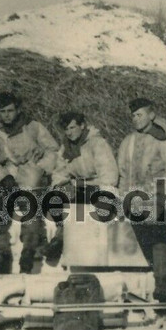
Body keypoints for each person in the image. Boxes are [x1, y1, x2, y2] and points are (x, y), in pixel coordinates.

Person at [0, 91, 61, 274]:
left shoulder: (33, 128)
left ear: (18, 110)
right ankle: (2, 256)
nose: (6, 115)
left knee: (31, 206)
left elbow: (53, 150)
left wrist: (40, 167)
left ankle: (28, 252)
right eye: (2, 111)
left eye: (10, 110)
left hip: (32, 176)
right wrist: (3, 177)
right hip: (7, 179)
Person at [116, 97, 166, 304]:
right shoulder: (128, 142)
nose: (136, 119)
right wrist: (122, 200)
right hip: (134, 202)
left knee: (158, 242)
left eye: (140, 114)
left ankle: (163, 288)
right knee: (147, 245)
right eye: (133, 115)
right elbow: (122, 173)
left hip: (159, 198)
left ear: (151, 115)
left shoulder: (165, 140)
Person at [43, 110, 119, 264]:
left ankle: (62, 240)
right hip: (79, 187)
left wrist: (84, 184)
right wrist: (57, 186)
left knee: (83, 203)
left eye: (72, 128)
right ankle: (58, 240)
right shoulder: (66, 148)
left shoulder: (97, 144)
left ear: (82, 126)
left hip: (100, 187)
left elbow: (109, 176)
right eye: (66, 129)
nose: (69, 133)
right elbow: (60, 172)